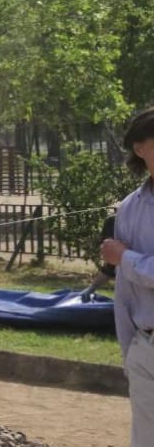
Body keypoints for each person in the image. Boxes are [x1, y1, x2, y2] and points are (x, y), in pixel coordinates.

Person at [103, 106, 154, 446]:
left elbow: (126, 264)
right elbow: (124, 292)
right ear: (140, 148)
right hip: (145, 347)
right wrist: (130, 352)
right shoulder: (130, 208)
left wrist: (124, 257)